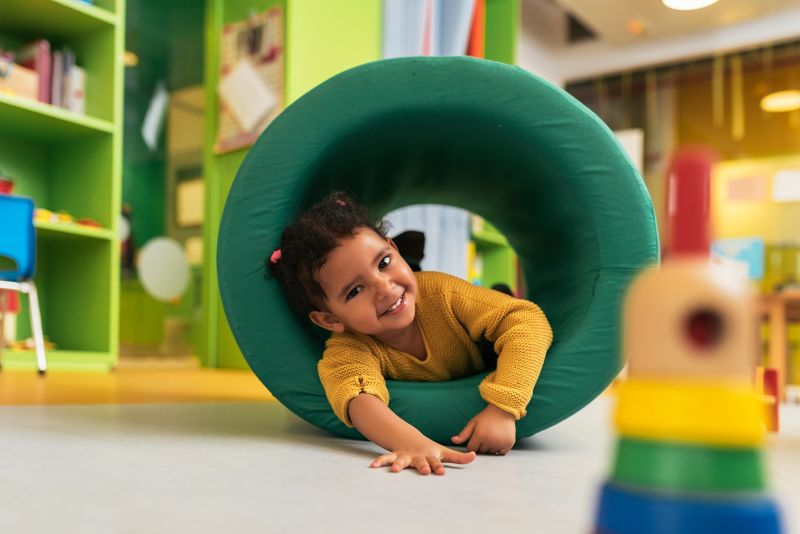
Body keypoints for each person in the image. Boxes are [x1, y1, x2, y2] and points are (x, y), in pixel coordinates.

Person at [267, 192, 553, 476]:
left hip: (482, 346)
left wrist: (503, 408)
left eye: (383, 263)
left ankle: (489, 287)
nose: (384, 288)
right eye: (355, 291)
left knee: (496, 304)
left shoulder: (442, 293)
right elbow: (357, 397)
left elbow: (527, 320)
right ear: (329, 320)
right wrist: (410, 443)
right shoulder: (349, 347)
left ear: (394, 248)